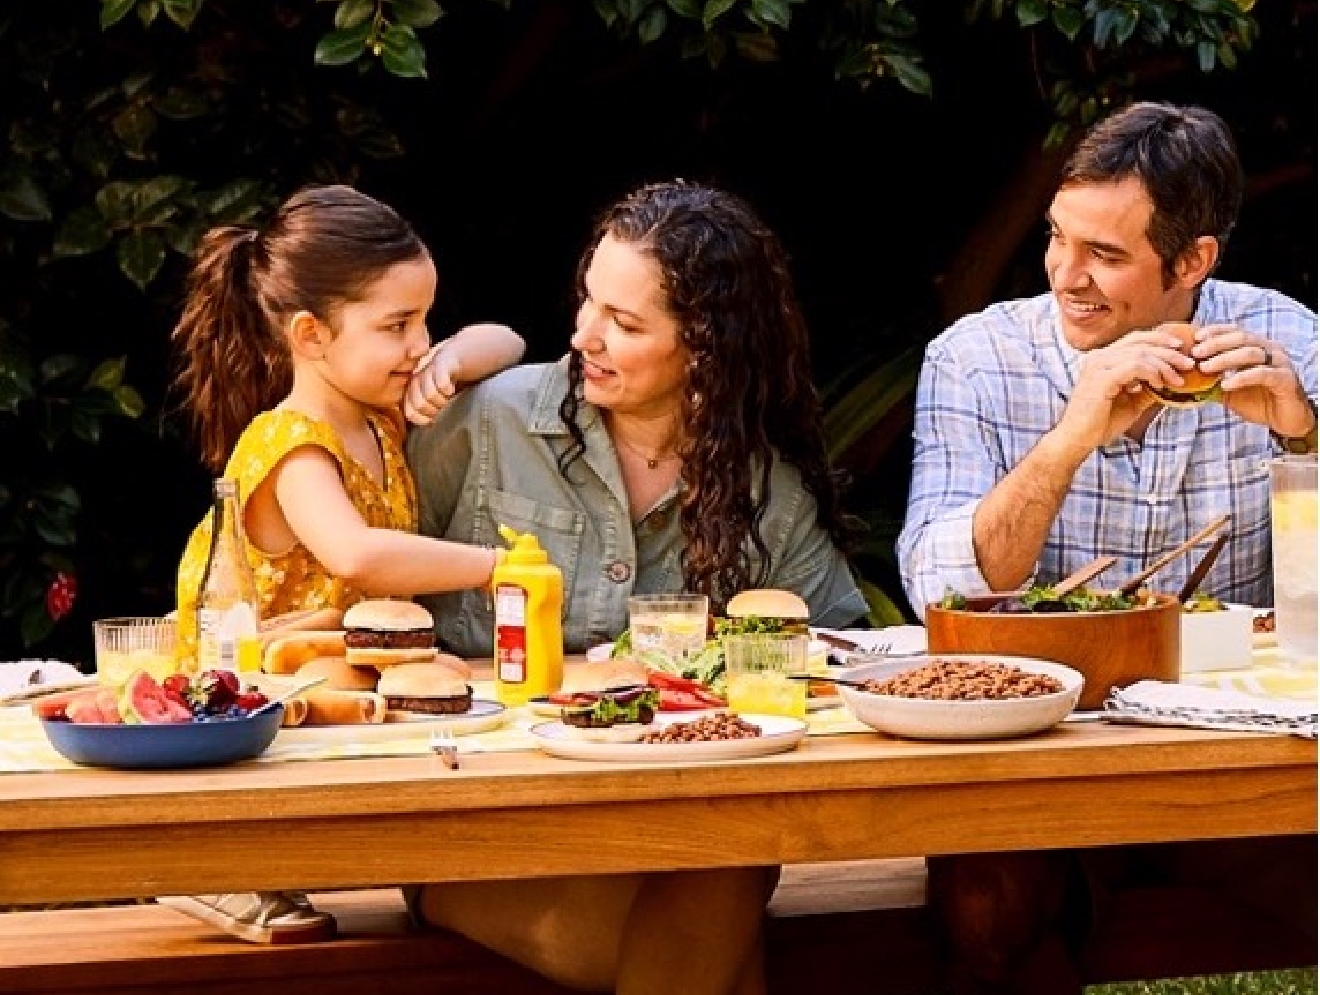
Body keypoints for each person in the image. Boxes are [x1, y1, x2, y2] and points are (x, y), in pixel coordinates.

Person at [404, 178, 869, 995]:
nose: (586, 334)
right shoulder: (490, 420)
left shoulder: (767, 498)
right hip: (482, 824)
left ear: (708, 347)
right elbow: (366, 577)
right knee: (722, 910)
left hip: (674, 822)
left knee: (724, 869)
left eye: (624, 322)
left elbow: (839, 660)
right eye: (589, 303)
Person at [896, 101, 1317, 993]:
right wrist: (1066, 439)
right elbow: (936, 586)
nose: (1066, 275)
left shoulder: (1288, 342)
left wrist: (1302, 443)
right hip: (1039, 761)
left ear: (1194, 260)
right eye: (1058, 239)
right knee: (985, 908)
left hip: (1232, 769)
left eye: (1106, 256)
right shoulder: (978, 358)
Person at [162, 184, 525, 945]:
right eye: (398, 325)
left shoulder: (379, 413)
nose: (417, 342)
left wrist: (450, 359)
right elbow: (355, 554)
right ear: (310, 334)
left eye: (425, 318)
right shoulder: (290, 442)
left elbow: (510, 342)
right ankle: (216, 859)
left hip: (332, 665)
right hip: (247, 685)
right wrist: (497, 565)